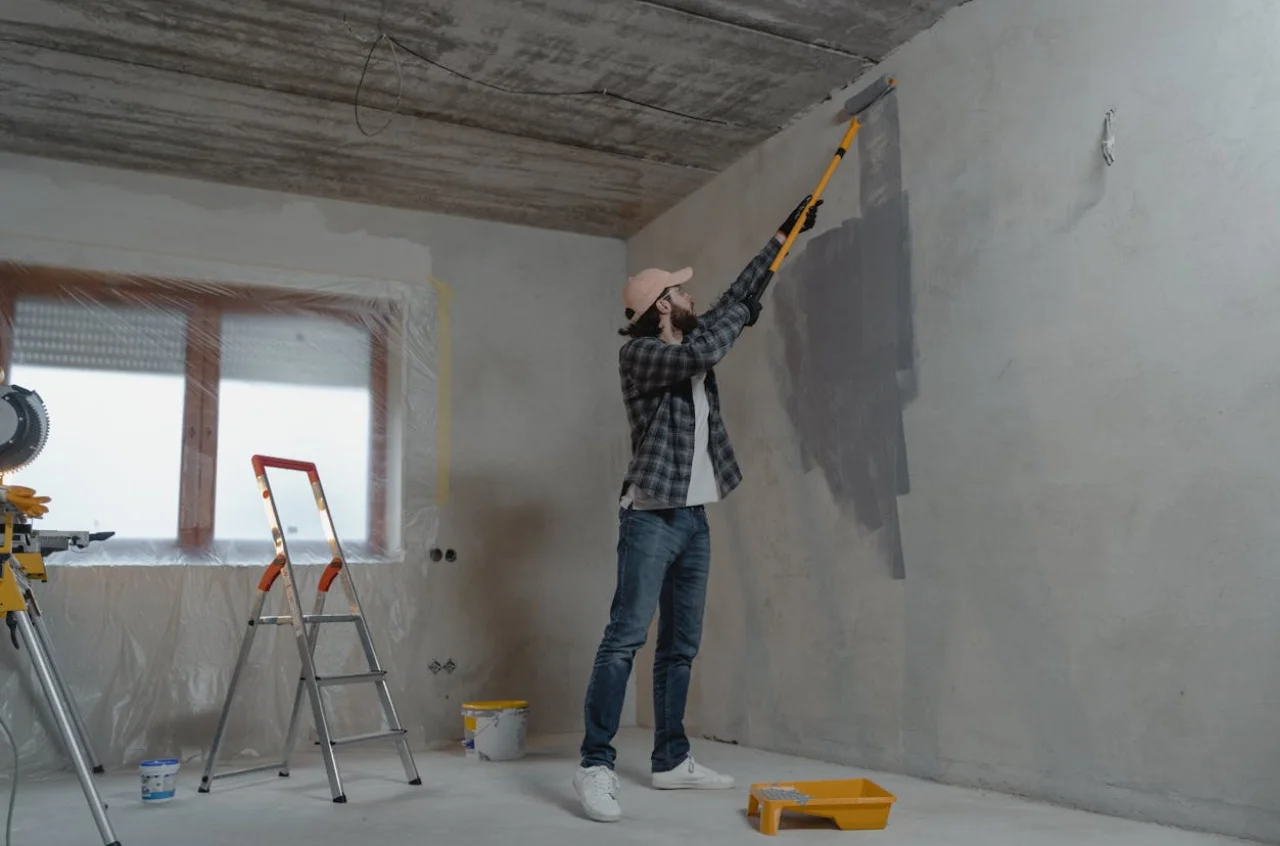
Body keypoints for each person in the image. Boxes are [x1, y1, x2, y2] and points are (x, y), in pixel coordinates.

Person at [573, 196, 823, 822]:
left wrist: (781, 232)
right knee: (625, 639)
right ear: (662, 305)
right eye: (681, 294)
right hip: (650, 517)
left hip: (692, 518)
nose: (692, 298)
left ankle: (670, 760)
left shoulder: (690, 330)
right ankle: (595, 766)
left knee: (680, 645)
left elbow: (734, 300)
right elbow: (700, 352)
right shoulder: (642, 355)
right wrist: (738, 315)